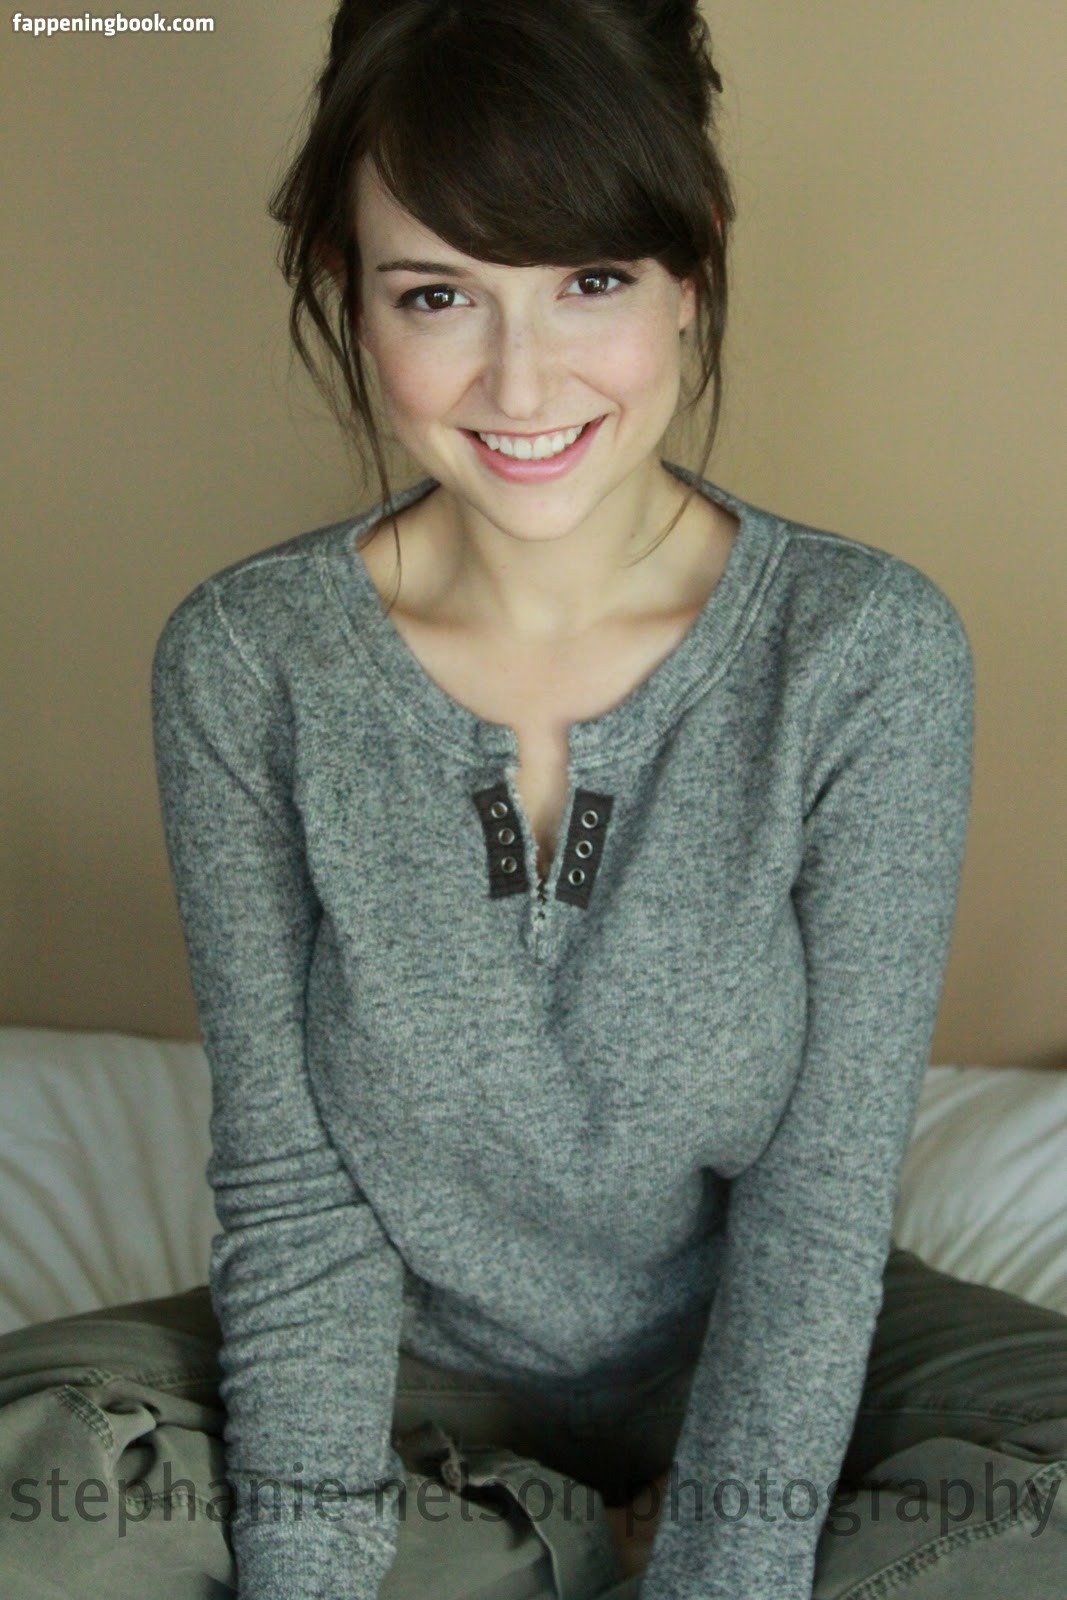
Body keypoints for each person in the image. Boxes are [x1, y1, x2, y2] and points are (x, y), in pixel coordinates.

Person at [1, 3, 1066, 1599]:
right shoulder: (250, 662)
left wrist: (726, 1564)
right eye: (437, 293)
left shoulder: (861, 650)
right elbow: (291, 1195)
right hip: (393, 1354)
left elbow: (821, 1200)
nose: (520, 379)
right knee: (36, 1468)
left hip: (762, 1339)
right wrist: (313, 1568)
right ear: (350, 292)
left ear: (693, 265)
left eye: (591, 281)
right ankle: (540, 1536)